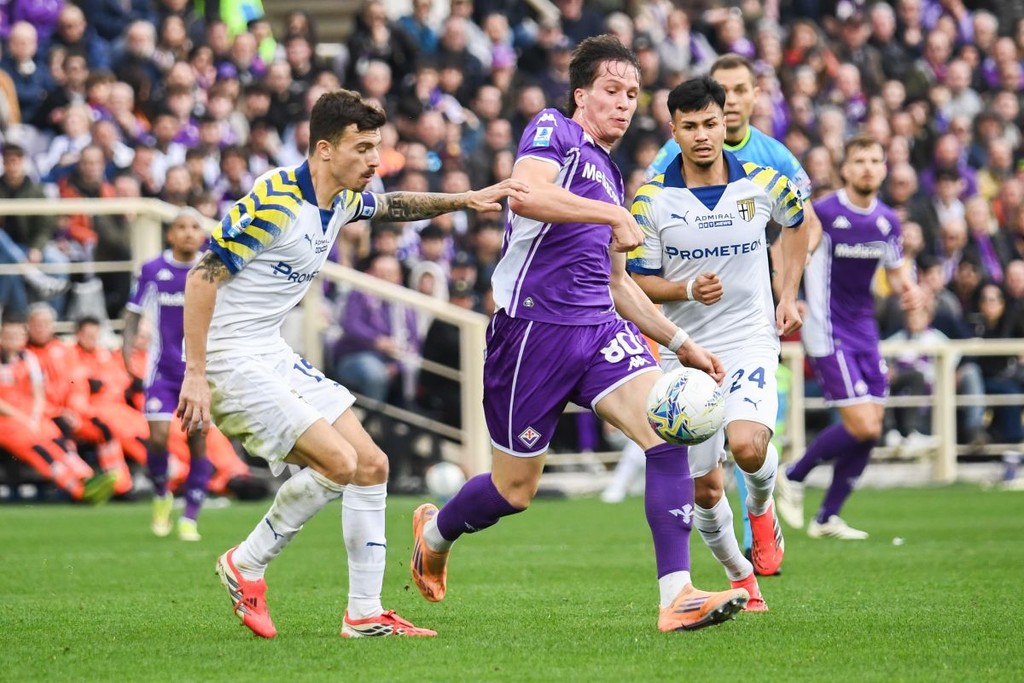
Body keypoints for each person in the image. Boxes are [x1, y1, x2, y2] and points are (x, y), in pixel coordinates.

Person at [409, 36, 749, 633]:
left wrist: (681, 343)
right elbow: (526, 193)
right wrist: (612, 214)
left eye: (632, 94)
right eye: (611, 90)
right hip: (532, 332)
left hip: (598, 330)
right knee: (514, 491)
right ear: (581, 95)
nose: (624, 103)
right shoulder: (555, 131)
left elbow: (618, 284)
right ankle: (434, 535)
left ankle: (677, 594)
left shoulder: (612, 176)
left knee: (666, 433)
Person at [175, 88, 528, 640]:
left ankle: (364, 613)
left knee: (370, 464)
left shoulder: (340, 200)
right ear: (324, 149)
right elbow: (202, 277)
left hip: (269, 351)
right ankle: (246, 563)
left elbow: (394, 206)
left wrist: (463, 200)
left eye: (376, 148)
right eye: (362, 148)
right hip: (228, 359)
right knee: (338, 462)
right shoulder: (276, 201)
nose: (374, 160)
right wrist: (196, 373)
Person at [627, 75, 808, 612]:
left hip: (749, 338)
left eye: (710, 123)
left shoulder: (764, 183)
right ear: (674, 131)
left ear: (724, 121)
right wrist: (686, 289)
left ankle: (761, 508)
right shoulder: (652, 201)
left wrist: (788, 293)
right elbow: (636, 280)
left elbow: (799, 223)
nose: (702, 135)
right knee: (703, 490)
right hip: (683, 350)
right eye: (690, 127)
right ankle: (740, 576)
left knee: (748, 446)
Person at [775, 134, 922, 540]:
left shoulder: (887, 221)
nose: (868, 168)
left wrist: (909, 289)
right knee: (862, 424)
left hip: (865, 331)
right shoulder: (823, 212)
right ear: (845, 169)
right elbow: (783, 249)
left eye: (875, 160)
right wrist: (789, 295)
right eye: (859, 161)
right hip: (827, 330)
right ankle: (793, 474)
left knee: (872, 427)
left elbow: (896, 272)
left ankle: (827, 518)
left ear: (885, 169)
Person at [122, 209, 210, 541]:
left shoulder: (212, 269)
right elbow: (133, 314)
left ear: (202, 235)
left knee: (197, 441)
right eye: (181, 227)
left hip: (199, 373)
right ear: (170, 235)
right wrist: (127, 353)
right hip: (161, 370)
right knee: (158, 439)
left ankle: (190, 518)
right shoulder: (152, 270)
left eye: (194, 227)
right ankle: (161, 494)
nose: (188, 232)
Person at [0, 311, 117, 504]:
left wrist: (35, 416)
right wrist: (23, 418)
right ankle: (77, 490)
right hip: (7, 421)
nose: (14, 340)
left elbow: (38, 392)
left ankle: (87, 477)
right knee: (38, 448)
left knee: (56, 439)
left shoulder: (27, 358)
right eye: (9, 336)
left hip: (31, 415)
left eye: (17, 335)